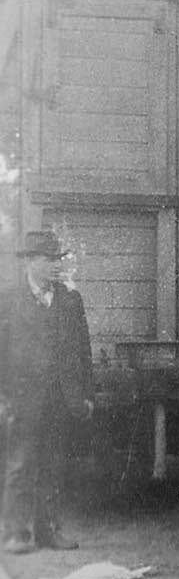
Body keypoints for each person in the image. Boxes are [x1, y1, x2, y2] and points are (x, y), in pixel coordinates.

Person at [0, 231, 95, 554]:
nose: (56, 266)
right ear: (30, 261)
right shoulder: (8, 299)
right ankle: (16, 533)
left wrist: (86, 396)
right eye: (48, 259)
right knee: (20, 463)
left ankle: (49, 531)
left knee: (54, 466)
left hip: (61, 400)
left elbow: (83, 352)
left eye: (58, 259)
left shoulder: (70, 300)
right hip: (23, 399)